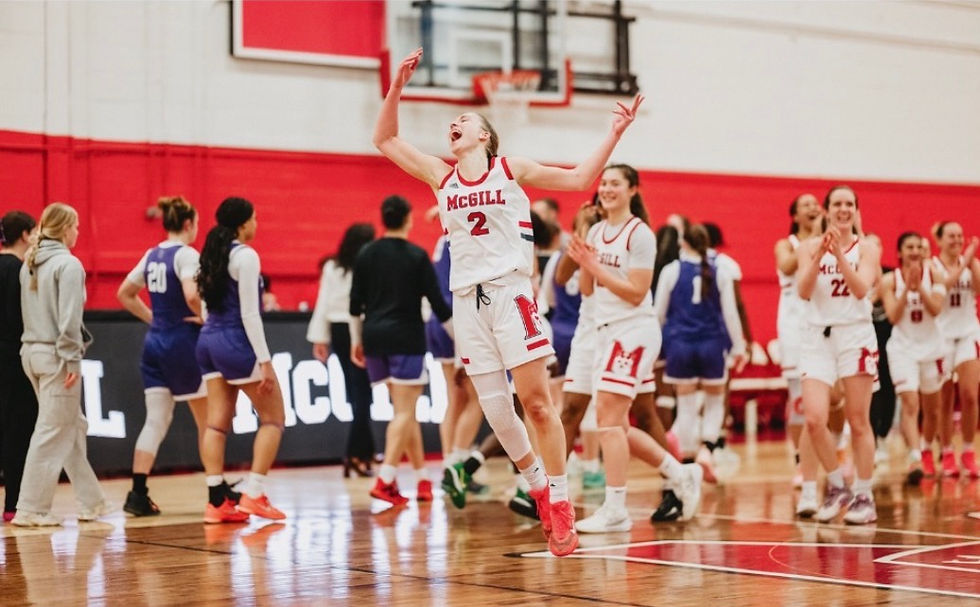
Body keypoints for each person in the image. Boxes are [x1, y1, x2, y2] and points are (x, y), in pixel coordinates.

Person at [373, 47, 644, 556]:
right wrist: (396, 88)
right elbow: (384, 139)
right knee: (497, 413)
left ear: (485, 137)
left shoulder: (509, 169)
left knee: (537, 403)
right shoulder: (440, 176)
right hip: (467, 303)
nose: (454, 124)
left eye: (464, 121)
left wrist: (615, 132)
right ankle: (538, 486)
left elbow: (578, 179)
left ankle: (560, 501)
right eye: (452, 122)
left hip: (511, 294)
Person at [568, 164, 704, 532]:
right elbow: (587, 289)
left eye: (615, 183)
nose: (607, 189)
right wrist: (585, 260)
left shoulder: (639, 233)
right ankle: (680, 473)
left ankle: (616, 509)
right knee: (617, 425)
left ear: (632, 190)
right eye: (604, 183)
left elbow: (636, 292)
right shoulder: (596, 230)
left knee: (609, 421)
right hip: (606, 331)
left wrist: (595, 265)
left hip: (633, 330)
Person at [349, 195, 452, 505]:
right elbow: (439, 306)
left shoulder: (366, 253)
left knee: (403, 414)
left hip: (373, 337)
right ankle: (386, 478)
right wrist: (461, 343)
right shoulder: (416, 256)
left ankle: (421, 479)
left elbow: (354, 305)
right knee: (405, 412)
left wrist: (356, 340)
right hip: (406, 338)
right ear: (408, 218)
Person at [13, 203, 111, 527]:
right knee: (52, 431)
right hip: (56, 356)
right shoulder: (68, 264)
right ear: (66, 228)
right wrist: (72, 360)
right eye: (76, 226)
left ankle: (91, 501)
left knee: (71, 425)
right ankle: (30, 508)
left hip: (31, 353)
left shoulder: (29, 262)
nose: (78, 232)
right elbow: (69, 320)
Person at [116, 196, 210, 516]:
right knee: (208, 422)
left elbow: (124, 294)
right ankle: (217, 490)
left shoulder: (151, 254)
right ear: (188, 224)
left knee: (155, 420)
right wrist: (207, 318)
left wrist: (153, 319)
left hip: (154, 343)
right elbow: (192, 295)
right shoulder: (187, 254)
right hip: (182, 342)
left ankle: (138, 493)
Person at [195, 196, 286, 523]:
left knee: (216, 424)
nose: (257, 224)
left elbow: (203, 304)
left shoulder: (210, 253)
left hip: (207, 340)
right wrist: (265, 361)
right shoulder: (246, 256)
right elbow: (250, 313)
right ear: (243, 223)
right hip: (235, 340)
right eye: (255, 218)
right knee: (274, 419)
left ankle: (216, 500)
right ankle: (254, 493)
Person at [795, 185, 880, 525]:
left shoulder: (868, 248)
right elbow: (803, 291)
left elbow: (861, 289)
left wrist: (840, 256)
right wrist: (820, 255)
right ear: (827, 210)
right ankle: (836, 486)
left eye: (849, 204)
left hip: (855, 335)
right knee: (814, 419)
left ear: (856, 210)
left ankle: (865, 495)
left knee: (858, 421)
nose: (843, 209)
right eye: (837, 204)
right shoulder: (808, 247)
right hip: (818, 336)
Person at [654, 224, 747, 487]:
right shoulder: (721, 271)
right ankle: (707, 449)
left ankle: (687, 462)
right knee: (715, 402)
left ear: (683, 243)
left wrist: (656, 347)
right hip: (712, 344)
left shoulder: (671, 270)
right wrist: (739, 347)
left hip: (680, 345)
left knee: (685, 405)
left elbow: (658, 313)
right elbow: (731, 314)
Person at [307, 222, 377, 477]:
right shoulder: (368, 264)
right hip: (358, 328)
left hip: (338, 331)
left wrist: (320, 338)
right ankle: (355, 454)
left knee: (355, 392)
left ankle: (365, 452)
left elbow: (323, 303)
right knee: (363, 394)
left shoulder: (332, 267)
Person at [880, 232, 946, 485]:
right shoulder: (890, 280)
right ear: (899, 252)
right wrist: (908, 288)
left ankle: (927, 449)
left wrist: (921, 289)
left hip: (932, 348)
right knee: (910, 403)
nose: (915, 251)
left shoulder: (935, 275)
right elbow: (893, 316)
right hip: (903, 348)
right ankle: (915, 457)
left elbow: (936, 309)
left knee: (932, 410)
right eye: (909, 247)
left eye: (919, 246)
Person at [773, 193, 822, 486]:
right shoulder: (786, 244)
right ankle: (801, 461)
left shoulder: (828, 241)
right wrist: (815, 235)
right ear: (795, 215)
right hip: (794, 326)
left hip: (822, 321)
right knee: (799, 397)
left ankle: (837, 451)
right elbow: (787, 266)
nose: (813, 207)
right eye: (806, 205)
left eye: (816, 204)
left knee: (831, 395)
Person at [930, 221, 980, 477]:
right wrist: (966, 262)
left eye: (960, 236)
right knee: (945, 398)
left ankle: (969, 451)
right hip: (941, 336)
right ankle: (947, 451)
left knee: (970, 395)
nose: (957, 240)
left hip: (968, 332)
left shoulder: (971, 263)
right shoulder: (933, 266)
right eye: (951, 236)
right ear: (939, 240)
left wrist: (971, 264)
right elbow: (946, 285)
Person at [0, 211, 38, 522]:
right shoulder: (21, 270)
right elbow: (24, 317)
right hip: (14, 358)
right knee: (18, 429)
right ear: (25, 234)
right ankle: (14, 503)